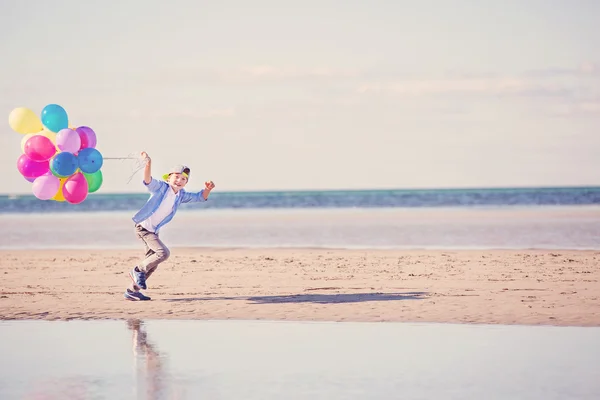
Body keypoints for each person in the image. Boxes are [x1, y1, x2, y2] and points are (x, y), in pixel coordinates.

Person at [124, 151, 215, 301]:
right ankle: (137, 270)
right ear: (169, 177)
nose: (179, 180)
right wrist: (148, 163)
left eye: (183, 179)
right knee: (163, 253)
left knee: (153, 263)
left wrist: (208, 189)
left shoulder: (181, 195)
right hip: (143, 228)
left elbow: (200, 197)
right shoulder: (161, 187)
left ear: (186, 183)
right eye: (176, 177)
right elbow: (147, 180)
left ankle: (132, 291)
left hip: (153, 231)